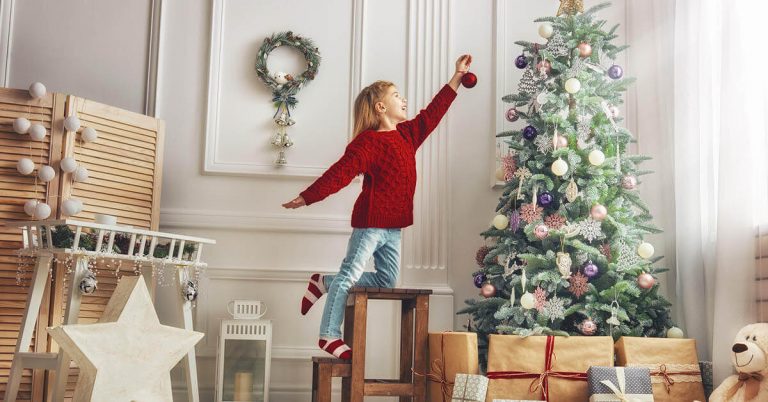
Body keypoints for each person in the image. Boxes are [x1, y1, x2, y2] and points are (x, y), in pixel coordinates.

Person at [282, 54, 472, 359]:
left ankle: (322, 282)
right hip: (371, 224)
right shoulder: (367, 143)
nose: (404, 99)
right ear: (381, 107)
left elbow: (434, 113)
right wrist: (308, 197)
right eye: (397, 95)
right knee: (349, 274)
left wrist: (456, 78)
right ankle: (328, 335)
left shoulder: (408, 135)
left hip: (394, 227)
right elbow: (339, 173)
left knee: (386, 281)